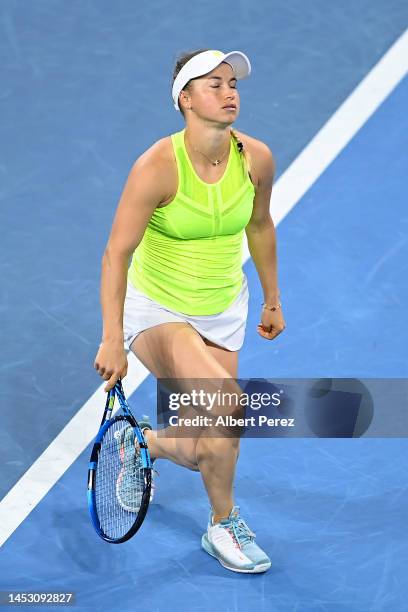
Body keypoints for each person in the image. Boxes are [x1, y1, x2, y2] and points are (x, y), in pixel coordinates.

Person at [94, 48, 286, 573]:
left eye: (233, 84)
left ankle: (147, 445)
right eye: (214, 85)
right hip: (158, 307)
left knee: (215, 442)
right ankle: (223, 524)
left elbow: (261, 226)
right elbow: (117, 252)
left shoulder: (256, 158)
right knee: (228, 404)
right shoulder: (157, 166)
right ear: (185, 99)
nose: (229, 94)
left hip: (224, 306)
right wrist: (112, 337)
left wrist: (271, 298)